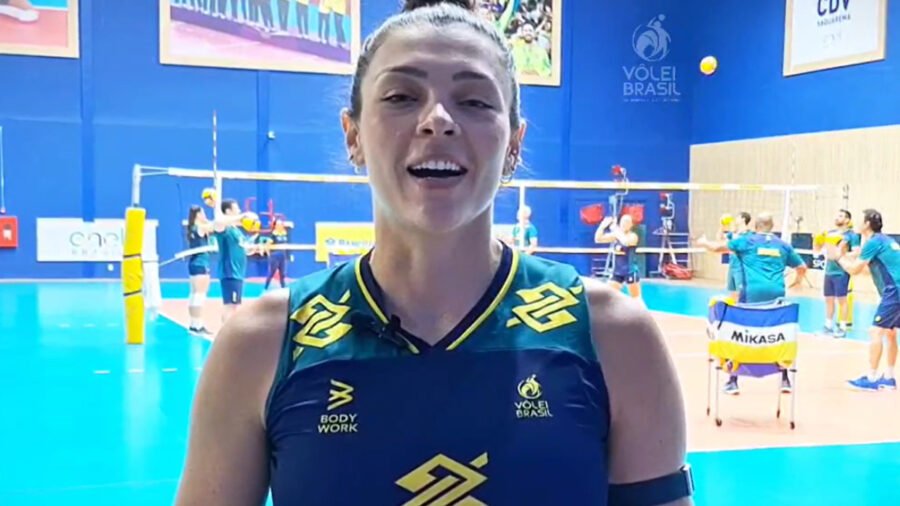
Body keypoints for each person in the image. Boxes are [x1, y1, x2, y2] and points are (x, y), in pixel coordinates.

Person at [175, 2, 692, 505]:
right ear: (353, 135)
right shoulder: (261, 345)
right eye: (401, 96)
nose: (438, 120)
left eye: (475, 101)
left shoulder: (614, 338)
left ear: (514, 143)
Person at [697, 212, 807, 395]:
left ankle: (733, 381)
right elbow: (802, 267)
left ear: (755, 226)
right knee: (779, 333)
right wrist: (797, 281)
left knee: (741, 332)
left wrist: (703, 243)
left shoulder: (746, 241)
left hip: (751, 294)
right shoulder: (782, 245)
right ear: (772, 226)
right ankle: (785, 379)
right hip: (777, 295)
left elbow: (717, 248)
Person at [825, 209, 899, 391]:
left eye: (860, 220)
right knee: (890, 333)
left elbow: (854, 270)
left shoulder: (873, 242)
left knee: (876, 331)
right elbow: (867, 266)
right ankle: (889, 377)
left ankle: (872, 378)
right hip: (895, 290)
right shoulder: (886, 240)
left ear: (867, 224)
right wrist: (846, 255)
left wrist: (838, 257)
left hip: (894, 291)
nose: (857, 223)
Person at [814, 209, 859, 338]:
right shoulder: (829, 233)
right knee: (828, 299)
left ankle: (842, 327)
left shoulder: (851, 235)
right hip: (829, 270)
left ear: (847, 220)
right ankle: (828, 326)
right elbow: (818, 249)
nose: (837, 218)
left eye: (840, 216)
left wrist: (842, 255)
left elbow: (856, 252)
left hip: (842, 271)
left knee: (842, 300)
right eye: (836, 216)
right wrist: (817, 240)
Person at [212, 199, 257, 323]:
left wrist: (250, 250)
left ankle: (227, 332)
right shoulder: (224, 228)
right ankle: (226, 332)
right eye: (236, 208)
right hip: (230, 272)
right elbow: (218, 222)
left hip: (238, 272)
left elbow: (241, 247)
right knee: (230, 307)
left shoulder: (236, 230)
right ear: (228, 211)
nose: (239, 210)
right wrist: (242, 216)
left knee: (234, 306)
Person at [594, 214, 642, 299]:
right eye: (623, 221)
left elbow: (625, 242)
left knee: (636, 298)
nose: (624, 224)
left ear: (631, 225)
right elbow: (598, 239)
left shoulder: (633, 236)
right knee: (608, 295)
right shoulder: (616, 236)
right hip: (617, 272)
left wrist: (615, 230)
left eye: (627, 222)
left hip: (630, 271)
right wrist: (602, 226)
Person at [186, 205, 214, 337]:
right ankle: (198, 326)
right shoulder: (200, 227)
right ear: (198, 214)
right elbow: (215, 226)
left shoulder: (192, 228)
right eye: (203, 213)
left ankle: (193, 324)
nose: (205, 215)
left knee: (194, 294)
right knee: (200, 295)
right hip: (201, 263)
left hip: (193, 263)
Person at [721, 211, 752, 303]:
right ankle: (732, 308)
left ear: (743, 219)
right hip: (732, 265)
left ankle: (742, 308)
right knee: (732, 291)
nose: (736, 219)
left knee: (740, 291)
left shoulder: (748, 234)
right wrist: (722, 225)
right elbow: (721, 238)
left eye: (738, 217)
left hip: (740, 266)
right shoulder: (734, 233)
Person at [262, 217, 290, 289]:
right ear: (275, 225)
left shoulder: (285, 233)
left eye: (280, 224)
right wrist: (269, 254)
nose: (279, 226)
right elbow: (267, 245)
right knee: (271, 272)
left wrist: (287, 255)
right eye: (278, 224)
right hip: (275, 256)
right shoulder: (273, 234)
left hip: (283, 255)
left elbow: (287, 245)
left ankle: (283, 288)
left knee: (282, 274)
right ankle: (265, 287)